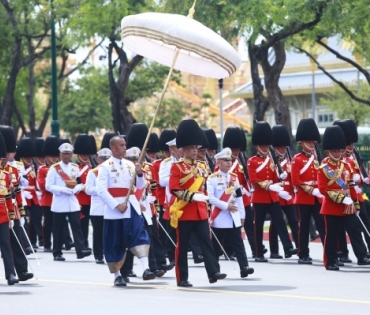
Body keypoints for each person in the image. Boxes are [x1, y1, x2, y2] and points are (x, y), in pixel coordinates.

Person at [169, 119, 226, 287]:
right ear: (184, 149)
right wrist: (191, 197)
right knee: (182, 246)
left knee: (206, 242)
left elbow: (205, 186)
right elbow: (174, 188)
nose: (195, 151)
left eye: (196, 148)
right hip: (184, 211)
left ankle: (213, 271)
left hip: (200, 211)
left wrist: (206, 201)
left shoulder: (202, 166)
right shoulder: (177, 167)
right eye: (192, 148)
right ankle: (182, 278)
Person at [97, 136, 154, 287]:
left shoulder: (130, 165)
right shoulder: (105, 167)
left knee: (139, 234)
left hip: (132, 206)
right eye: (121, 145)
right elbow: (101, 190)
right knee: (115, 242)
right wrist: (116, 205)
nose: (125, 148)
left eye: (125, 145)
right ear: (113, 148)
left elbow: (139, 186)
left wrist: (140, 174)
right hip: (115, 210)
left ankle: (146, 269)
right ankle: (117, 275)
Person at [318, 126, 370, 270]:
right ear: (328, 151)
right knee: (332, 235)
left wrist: (357, 205)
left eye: (339, 150)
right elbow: (323, 189)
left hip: (349, 206)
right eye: (334, 151)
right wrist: (341, 198)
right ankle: (331, 261)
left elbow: (351, 185)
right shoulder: (324, 167)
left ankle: (362, 255)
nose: (337, 153)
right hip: (332, 207)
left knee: (355, 231)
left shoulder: (346, 165)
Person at [247, 121, 297, 262]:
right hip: (260, 198)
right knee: (259, 225)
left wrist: (280, 180)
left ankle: (287, 247)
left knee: (280, 222)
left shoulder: (272, 160)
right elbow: (254, 180)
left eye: (266, 145)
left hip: (273, 197)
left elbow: (274, 178)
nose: (264, 147)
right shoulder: (252, 161)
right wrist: (269, 186)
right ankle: (258, 252)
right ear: (257, 146)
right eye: (262, 145)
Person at [208, 147, 254, 278]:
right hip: (219, 217)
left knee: (238, 243)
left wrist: (242, 215)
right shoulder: (212, 178)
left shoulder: (234, 178)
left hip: (233, 216)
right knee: (216, 247)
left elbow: (239, 198)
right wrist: (225, 205)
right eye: (225, 160)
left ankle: (244, 267)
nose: (229, 162)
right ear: (218, 162)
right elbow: (211, 198)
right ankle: (215, 270)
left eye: (230, 160)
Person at [45, 142, 92, 261]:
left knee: (77, 226)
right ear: (60, 155)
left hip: (72, 202)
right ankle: (57, 252)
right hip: (60, 202)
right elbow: (48, 186)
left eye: (68, 154)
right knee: (59, 228)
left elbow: (80, 184)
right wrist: (63, 190)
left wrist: (74, 189)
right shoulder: (54, 169)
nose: (66, 156)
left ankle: (80, 250)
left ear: (71, 155)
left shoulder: (74, 168)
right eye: (64, 154)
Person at [0, 126, 33, 282]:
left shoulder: (14, 170)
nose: (6, 156)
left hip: (9, 209)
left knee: (14, 239)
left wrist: (20, 211)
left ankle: (19, 271)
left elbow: (17, 192)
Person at [291, 118, 326, 265]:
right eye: (309, 142)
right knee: (304, 227)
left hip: (317, 198)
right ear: (301, 143)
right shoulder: (297, 159)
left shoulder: (318, 158)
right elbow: (296, 181)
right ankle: (303, 253)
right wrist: (312, 190)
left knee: (322, 225)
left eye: (313, 142)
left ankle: (329, 253)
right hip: (304, 198)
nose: (311, 144)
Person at [268, 125, 299, 258]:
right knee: (276, 224)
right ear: (274, 148)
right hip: (276, 195)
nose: (282, 150)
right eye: (279, 148)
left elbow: (292, 178)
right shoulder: (269, 161)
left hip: (288, 196)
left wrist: (292, 191)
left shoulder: (289, 161)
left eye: (283, 148)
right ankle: (274, 250)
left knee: (293, 221)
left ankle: (299, 248)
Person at [85, 148, 112, 264]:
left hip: (110, 206)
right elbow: (88, 189)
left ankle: (110, 253)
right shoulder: (93, 172)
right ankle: (98, 254)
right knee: (98, 233)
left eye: (107, 158)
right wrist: (101, 190)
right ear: (98, 158)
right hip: (98, 207)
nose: (105, 160)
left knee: (111, 232)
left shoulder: (113, 171)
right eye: (103, 158)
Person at [16, 138, 43, 250]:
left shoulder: (35, 167)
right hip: (23, 195)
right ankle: (28, 242)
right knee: (24, 219)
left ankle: (36, 240)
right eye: (26, 157)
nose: (29, 159)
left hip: (33, 196)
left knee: (36, 218)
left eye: (30, 157)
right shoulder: (19, 166)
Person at [0, 131, 19, 285]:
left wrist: (11, 216)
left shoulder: (6, 175)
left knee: (6, 244)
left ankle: (11, 274)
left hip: (2, 215)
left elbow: (7, 198)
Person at [36, 136, 59, 252]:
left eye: (55, 156)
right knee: (48, 223)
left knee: (58, 224)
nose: (54, 158)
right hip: (48, 200)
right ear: (47, 156)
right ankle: (47, 244)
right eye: (51, 156)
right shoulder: (42, 169)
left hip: (59, 199)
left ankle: (57, 244)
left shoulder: (60, 169)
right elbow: (42, 185)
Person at [74, 134, 96, 249]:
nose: (85, 156)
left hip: (91, 198)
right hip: (80, 199)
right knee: (82, 223)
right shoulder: (75, 168)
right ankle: (84, 243)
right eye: (83, 154)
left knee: (94, 223)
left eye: (86, 154)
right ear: (78, 155)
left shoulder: (93, 167)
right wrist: (80, 187)